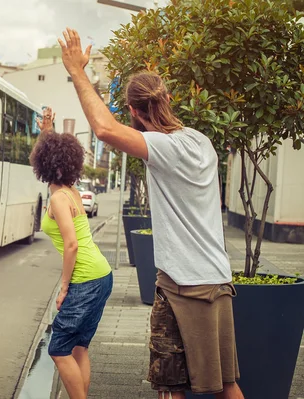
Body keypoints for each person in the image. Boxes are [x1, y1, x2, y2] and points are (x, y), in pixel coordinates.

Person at [57, 28, 244, 399]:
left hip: (194, 287)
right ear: (169, 98)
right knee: (179, 384)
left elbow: (104, 129)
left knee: (213, 387)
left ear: (133, 112)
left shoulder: (167, 148)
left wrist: (78, 71)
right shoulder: (200, 141)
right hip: (191, 283)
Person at [30, 107, 113, 399]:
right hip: (102, 275)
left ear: (46, 166)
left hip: (86, 280)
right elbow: (54, 153)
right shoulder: (71, 190)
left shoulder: (58, 199)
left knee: (58, 348)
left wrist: (64, 287)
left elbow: (71, 245)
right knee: (79, 348)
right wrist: (47, 131)